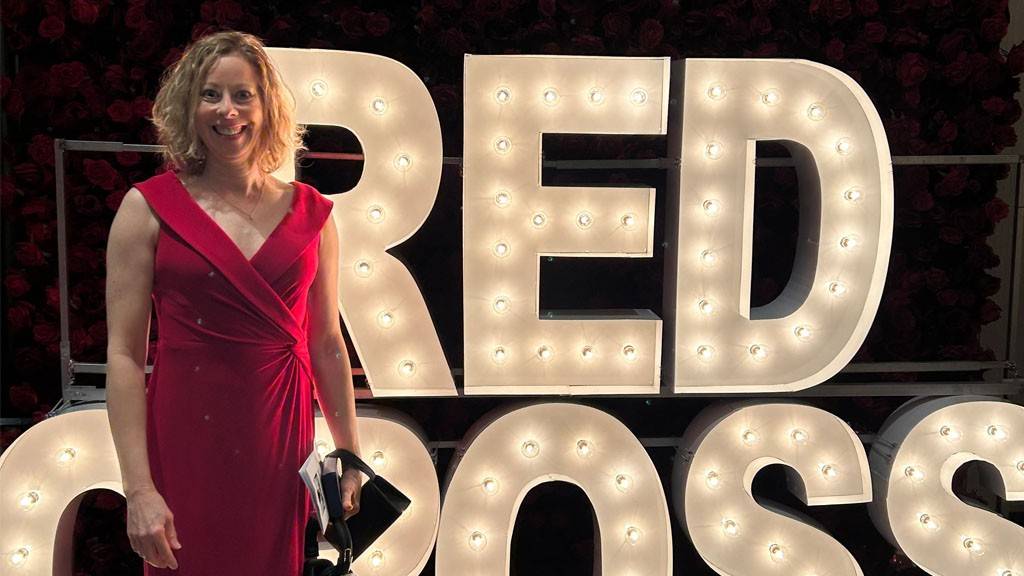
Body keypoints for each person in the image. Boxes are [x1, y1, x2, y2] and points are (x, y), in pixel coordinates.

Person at [105, 30, 362, 574]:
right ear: (187, 107)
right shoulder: (146, 209)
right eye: (210, 95)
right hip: (185, 443)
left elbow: (327, 344)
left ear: (267, 105)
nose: (229, 111)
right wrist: (138, 488)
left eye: (243, 95)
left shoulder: (313, 215)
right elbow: (125, 358)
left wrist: (351, 456)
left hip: (280, 445)